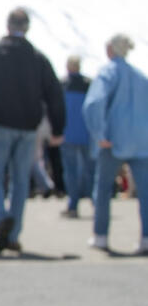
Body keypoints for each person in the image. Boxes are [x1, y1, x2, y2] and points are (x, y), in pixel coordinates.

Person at [0, 7, 65, 255]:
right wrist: (58, 128)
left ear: (8, 26)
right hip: (28, 127)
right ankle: (13, 234)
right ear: (27, 28)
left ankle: (1, 219)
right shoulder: (37, 57)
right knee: (21, 181)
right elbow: (55, 94)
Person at [82, 33, 148, 254]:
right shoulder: (140, 77)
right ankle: (146, 238)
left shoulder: (109, 72)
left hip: (113, 140)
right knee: (146, 192)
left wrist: (99, 133)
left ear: (111, 49)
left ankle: (101, 235)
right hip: (141, 142)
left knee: (103, 188)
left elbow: (93, 103)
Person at [59, 56, 94, 218]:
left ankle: (73, 205)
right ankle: (96, 202)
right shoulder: (89, 84)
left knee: (71, 171)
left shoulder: (62, 84)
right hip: (87, 134)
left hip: (68, 134)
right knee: (90, 170)